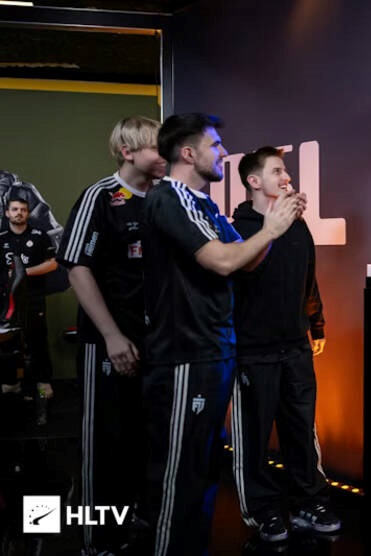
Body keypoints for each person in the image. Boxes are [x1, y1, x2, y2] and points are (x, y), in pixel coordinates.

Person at [142, 113, 304, 555]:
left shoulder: (206, 204)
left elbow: (246, 260)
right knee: (178, 479)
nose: (223, 153)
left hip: (214, 351)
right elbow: (223, 261)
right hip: (184, 354)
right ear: (188, 153)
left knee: (202, 472)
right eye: (214, 145)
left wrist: (274, 224)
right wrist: (270, 229)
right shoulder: (168, 199)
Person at [56, 115, 167, 555]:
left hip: (156, 344)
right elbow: (77, 268)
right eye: (157, 147)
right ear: (128, 151)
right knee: (104, 442)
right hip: (108, 342)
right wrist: (112, 336)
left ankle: (133, 517)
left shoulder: (164, 198)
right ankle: (96, 539)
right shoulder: (100, 197)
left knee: (144, 439)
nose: (165, 155)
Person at [229, 146, 339, 542]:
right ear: (254, 181)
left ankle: (310, 501)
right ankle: (262, 511)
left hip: (295, 347)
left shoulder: (298, 226)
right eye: (277, 171)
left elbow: (308, 279)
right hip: (252, 350)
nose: (287, 177)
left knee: (301, 430)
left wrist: (317, 325)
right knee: (253, 438)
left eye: (286, 170)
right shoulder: (237, 229)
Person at [0, 197, 57, 426]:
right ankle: (12, 387)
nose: (19, 213)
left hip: (33, 300)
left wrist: (24, 273)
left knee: (37, 344)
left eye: (23, 210)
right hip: (6, 304)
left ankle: (43, 391)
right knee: (9, 347)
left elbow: (53, 263)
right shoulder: (1, 239)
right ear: (7, 213)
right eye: (15, 209)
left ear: (27, 213)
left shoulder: (39, 235)